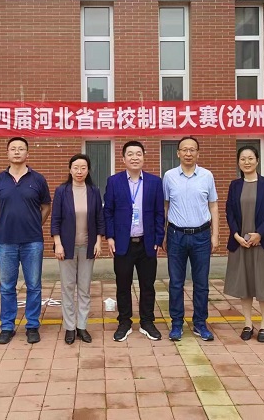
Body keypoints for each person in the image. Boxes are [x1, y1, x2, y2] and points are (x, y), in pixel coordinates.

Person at [0, 137, 51, 345]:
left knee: (34, 285)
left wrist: (35, 224)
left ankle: (32, 325)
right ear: (7, 153)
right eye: (13, 149)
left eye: (21, 149)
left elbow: (46, 206)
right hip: (6, 241)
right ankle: (7, 326)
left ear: (27, 153)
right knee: (7, 286)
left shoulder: (38, 179)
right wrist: (5, 223)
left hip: (32, 241)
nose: (17, 152)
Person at [104, 141, 165, 342]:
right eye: (130, 154)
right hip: (123, 243)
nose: (134, 157)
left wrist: (158, 238)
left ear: (144, 157)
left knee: (148, 285)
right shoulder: (114, 181)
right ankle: (124, 322)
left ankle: (147, 322)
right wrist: (110, 237)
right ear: (123, 159)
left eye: (138, 153)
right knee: (123, 284)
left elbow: (159, 212)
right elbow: (108, 211)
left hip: (147, 242)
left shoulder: (155, 182)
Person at [224, 145, 264, 343]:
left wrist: (260, 234)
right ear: (238, 162)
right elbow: (229, 212)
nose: (247, 162)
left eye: (250, 158)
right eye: (243, 159)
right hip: (241, 243)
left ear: (257, 161)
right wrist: (235, 234)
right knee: (246, 284)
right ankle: (248, 323)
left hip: (263, 243)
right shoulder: (235, 185)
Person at [163, 136, 219, 342]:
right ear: (178, 153)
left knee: (201, 283)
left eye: (192, 150)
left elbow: (213, 205)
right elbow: (165, 206)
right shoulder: (169, 176)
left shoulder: (207, 176)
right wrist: (163, 233)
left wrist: (215, 234)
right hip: (176, 235)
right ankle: (176, 323)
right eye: (184, 150)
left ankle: (200, 323)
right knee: (176, 283)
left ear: (198, 153)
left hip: (201, 236)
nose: (188, 153)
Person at [51, 154, 105, 345]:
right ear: (70, 170)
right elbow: (55, 219)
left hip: (88, 247)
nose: (79, 171)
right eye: (76, 167)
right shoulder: (62, 191)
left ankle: (82, 326)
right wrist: (58, 243)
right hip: (66, 247)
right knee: (67, 288)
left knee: (84, 288)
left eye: (83, 168)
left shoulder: (93, 191)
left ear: (88, 170)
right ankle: (69, 327)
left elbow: (99, 218)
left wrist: (98, 242)